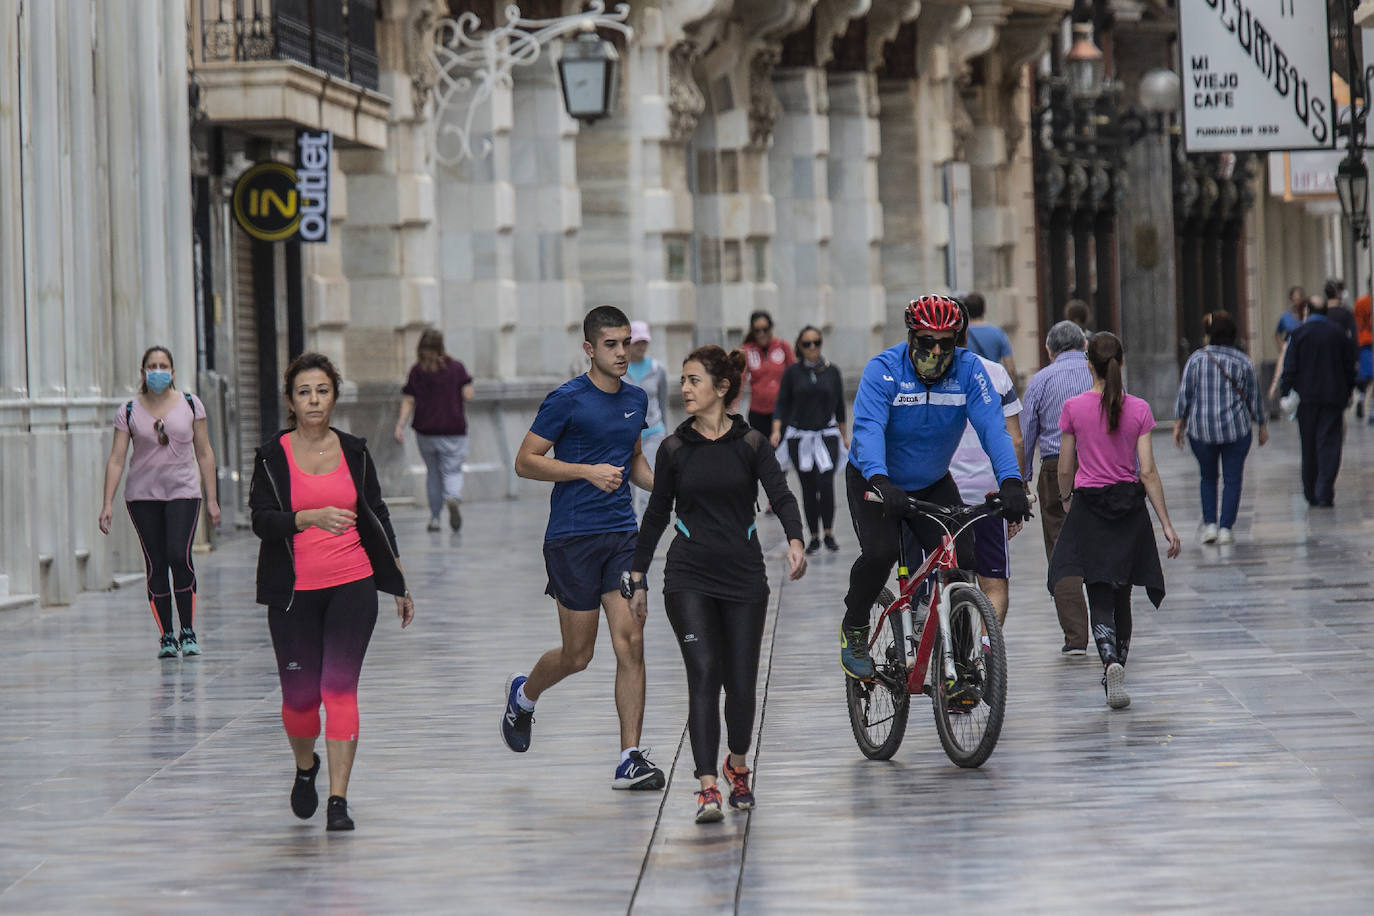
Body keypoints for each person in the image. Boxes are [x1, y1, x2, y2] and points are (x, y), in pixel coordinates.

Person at [629, 346, 807, 824]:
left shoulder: (750, 444)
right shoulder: (673, 449)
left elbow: (781, 493)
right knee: (705, 674)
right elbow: (656, 514)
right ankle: (707, 783)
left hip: (744, 575)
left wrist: (795, 539)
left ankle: (738, 765)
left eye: (693, 381)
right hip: (687, 576)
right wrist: (638, 573)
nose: (684, 389)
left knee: (742, 682)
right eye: (683, 381)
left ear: (721, 388)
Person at [500, 306, 664, 791]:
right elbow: (525, 462)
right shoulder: (566, 400)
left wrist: (673, 491)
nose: (622, 352)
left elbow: (634, 462)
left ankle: (628, 758)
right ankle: (523, 695)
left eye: (626, 343)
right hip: (571, 538)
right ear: (590, 349)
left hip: (621, 536)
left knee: (631, 641)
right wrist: (586, 471)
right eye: (611, 344)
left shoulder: (636, 399)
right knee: (579, 654)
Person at [249, 352, 415, 832]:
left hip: (353, 585)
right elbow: (261, 519)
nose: (314, 399)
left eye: (322, 390)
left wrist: (399, 581)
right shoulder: (271, 455)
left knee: (338, 689)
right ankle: (306, 768)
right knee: (301, 699)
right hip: (293, 592)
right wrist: (306, 518)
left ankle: (338, 801)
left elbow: (377, 515)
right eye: (304, 392)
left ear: (334, 397)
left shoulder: (355, 451)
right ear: (290, 401)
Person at [839, 295, 1030, 680]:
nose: (937, 350)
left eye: (947, 341)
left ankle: (959, 667)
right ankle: (855, 627)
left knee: (961, 559)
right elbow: (868, 430)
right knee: (881, 552)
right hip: (876, 480)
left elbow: (994, 429)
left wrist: (1011, 481)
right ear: (911, 337)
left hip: (932, 481)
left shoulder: (969, 371)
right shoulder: (884, 371)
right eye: (927, 341)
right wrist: (879, 478)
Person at [1050, 332, 1181, 710]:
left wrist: (1065, 499)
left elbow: (1064, 467)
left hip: (1090, 506)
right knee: (1123, 590)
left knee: (1099, 589)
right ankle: (1119, 661)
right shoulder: (1138, 409)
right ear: (1121, 363)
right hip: (1128, 509)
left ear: (1088, 364)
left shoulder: (1074, 408)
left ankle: (1109, 663)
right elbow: (1148, 471)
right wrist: (1166, 525)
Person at [99, 346, 221, 658]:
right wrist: (107, 503)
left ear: (173, 372)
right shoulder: (128, 410)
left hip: (184, 492)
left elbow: (205, 453)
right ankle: (167, 635)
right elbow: (116, 459)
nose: (157, 371)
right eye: (151, 366)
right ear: (142, 373)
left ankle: (188, 630)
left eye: (163, 365)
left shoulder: (191, 404)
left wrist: (213, 500)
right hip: (142, 497)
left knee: (178, 555)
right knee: (156, 563)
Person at [1020, 320, 1094, 655]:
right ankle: (1109, 625)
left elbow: (1024, 437)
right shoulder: (1098, 374)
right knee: (1103, 540)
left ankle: (1076, 637)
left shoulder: (1041, 380)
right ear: (1084, 345)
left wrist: (1021, 480)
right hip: (1101, 466)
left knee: (1061, 549)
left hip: (1053, 469)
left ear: (1049, 350)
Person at [948, 324, 1024, 625]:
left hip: (941, 494)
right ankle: (986, 655)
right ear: (966, 336)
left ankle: (950, 651)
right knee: (993, 583)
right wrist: (1015, 487)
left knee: (944, 579)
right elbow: (1015, 438)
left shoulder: (925, 376)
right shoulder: (996, 373)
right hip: (988, 494)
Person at [1173, 311, 1268, 545]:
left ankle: (1210, 526)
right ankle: (1226, 527)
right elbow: (1254, 396)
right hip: (1236, 430)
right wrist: (1262, 424)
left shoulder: (1196, 359)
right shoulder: (1243, 361)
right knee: (1232, 479)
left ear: (1210, 335)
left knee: (1208, 477)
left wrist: (1179, 423)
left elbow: (1185, 394)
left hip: (1201, 430)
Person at [770, 326, 848, 553]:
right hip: (800, 436)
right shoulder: (793, 373)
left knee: (826, 481)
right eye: (807, 344)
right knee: (807, 485)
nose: (813, 347)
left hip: (827, 435)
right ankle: (813, 534)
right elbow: (782, 404)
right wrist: (776, 431)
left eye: (816, 342)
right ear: (800, 347)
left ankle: (829, 532)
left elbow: (840, 406)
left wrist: (844, 436)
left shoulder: (832, 371)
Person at [1279, 296, 1358, 507]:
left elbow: (1290, 367)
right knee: (1329, 444)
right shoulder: (1339, 334)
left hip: (1307, 399)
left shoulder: (1298, 333)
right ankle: (1324, 489)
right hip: (1334, 397)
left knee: (1309, 444)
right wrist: (1349, 390)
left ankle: (1310, 490)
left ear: (1307, 311)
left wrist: (1285, 392)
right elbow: (1350, 366)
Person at [394, 329, 475, 532]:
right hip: (453, 429)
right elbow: (468, 395)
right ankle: (453, 497)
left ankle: (435, 518)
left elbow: (409, 399)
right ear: (441, 346)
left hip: (426, 431)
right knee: (452, 470)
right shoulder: (456, 368)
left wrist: (400, 424)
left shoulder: (417, 371)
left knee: (433, 474)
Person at [626, 320, 670, 519]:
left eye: (644, 342)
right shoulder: (620, 368)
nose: (641, 346)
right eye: (637, 342)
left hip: (653, 434)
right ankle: (629, 532)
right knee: (626, 487)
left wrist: (666, 432)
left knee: (646, 489)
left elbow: (662, 400)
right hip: (627, 436)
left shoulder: (657, 369)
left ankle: (643, 538)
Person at [741, 310, 795, 439]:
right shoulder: (747, 350)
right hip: (757, 412)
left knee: (781, 453)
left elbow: (795, 376)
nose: (761, 334)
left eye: (765, 329)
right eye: (757, 330)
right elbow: (739, 380)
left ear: (771, 328)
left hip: (781, 411)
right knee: (761, 453)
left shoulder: (783, 347)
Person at [963, 291, 1017, 382]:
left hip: (969, 385)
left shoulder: (962, 335)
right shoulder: (998, 333)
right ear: (984, 309)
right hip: (993, 385)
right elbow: (1010, 368)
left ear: (965, 311)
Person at [1269, 286, 1308, 410]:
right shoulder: (1285, 317)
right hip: (1291, 350)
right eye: (1294, 299)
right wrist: (1281, 346)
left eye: (1298, 299)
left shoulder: (1306, 316)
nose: (1296, 302)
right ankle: (1275, 386)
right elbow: (1276, 334)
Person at [1354, 285, 1372, 420]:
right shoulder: (1362, 303)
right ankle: (1366, 403)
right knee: (1371, 377)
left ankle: (1364, 399)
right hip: (1366, 341)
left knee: (1369, 377)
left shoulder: (1360, 302)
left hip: (1363, 341)